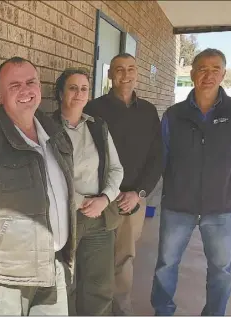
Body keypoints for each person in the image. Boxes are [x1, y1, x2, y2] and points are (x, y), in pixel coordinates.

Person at [0, 56, 76, 315]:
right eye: (14, 86)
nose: (25, 90)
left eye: (31, 82)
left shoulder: (54, 135)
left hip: (52, 267)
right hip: (8, 280)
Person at [150, 48, 231, 316]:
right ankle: (163, 311)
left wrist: (220, 182)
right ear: (193, 73)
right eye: (202, 69)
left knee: (221, 270)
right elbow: (166, 155)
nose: (208, 75)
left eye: (215, 69)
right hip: (178, 205)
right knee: (166, 264)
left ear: (223, 74)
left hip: (221, 207)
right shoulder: (173, 115)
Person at [84, 53, 164, 315]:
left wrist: (139, 193)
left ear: (137, 73)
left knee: (124, 259)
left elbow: (157, 156)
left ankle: (121, 310)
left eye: (131, 69)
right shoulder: (93, 109)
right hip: (98, 198)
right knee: (96, 258)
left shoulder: (149, 112)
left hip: (132, 199)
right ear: (110, 74)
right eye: (119, 69)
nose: (125, 75)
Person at [52, 68, 124, 315]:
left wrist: (104, 199)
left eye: (84, 89)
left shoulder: (98, 127)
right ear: (60, 93)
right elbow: (47, 176)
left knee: (99, 285)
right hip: (64, 217)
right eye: (73, 88)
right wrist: (82, 201)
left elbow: (116, 169)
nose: (79, 93)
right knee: (64, 283)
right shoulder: (45, 128)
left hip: (99, 218)